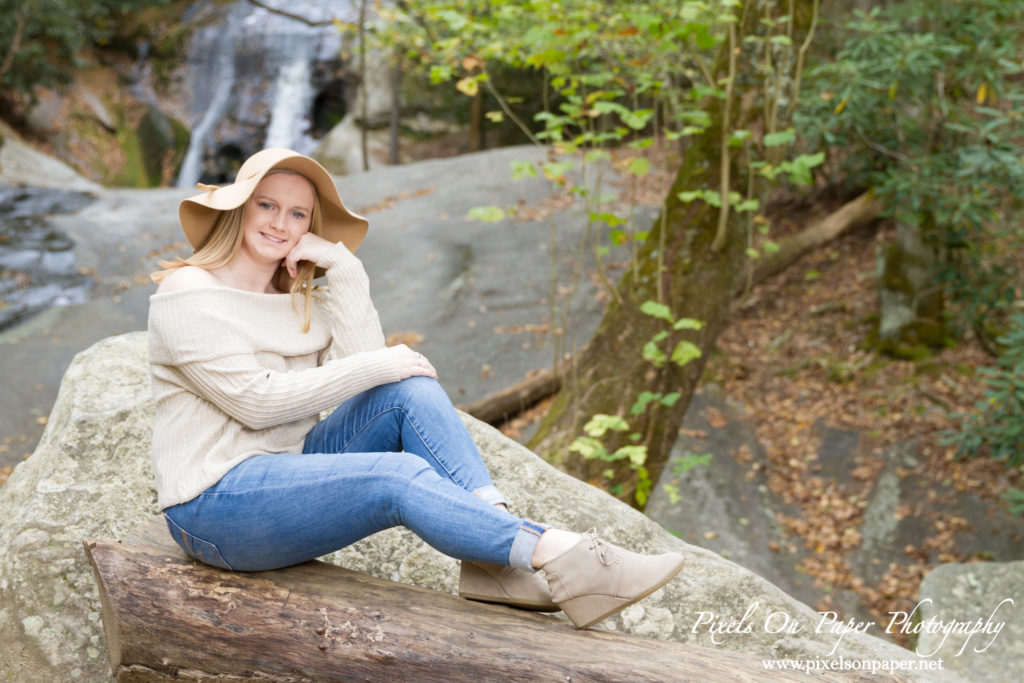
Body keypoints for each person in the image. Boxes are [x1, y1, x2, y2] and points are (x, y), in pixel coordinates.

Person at [147, 148, 684, 630]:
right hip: (214, 507)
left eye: (298, 213)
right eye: (266, 205)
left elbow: (364, 372)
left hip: (291, 469)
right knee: (396, 476)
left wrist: (346, 267)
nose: (280, 223)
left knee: (410, 393)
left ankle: (492, 566)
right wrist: (384, 362)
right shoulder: (189, 290)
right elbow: (257, 403)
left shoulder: (299, 299)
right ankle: (563, 555)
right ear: (239, 208)